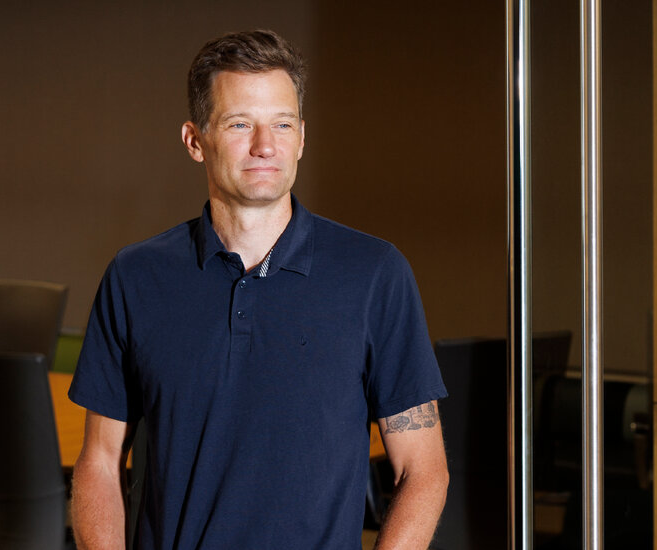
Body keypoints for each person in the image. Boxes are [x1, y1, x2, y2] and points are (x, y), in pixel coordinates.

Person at [69, 29, 448, 550]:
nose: (265, 145)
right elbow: (100, 461)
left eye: (282, 124)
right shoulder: (136, 277)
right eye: (240, 124)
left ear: (302, 137)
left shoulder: (375, 274)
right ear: (194, 140)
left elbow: (423, 471)